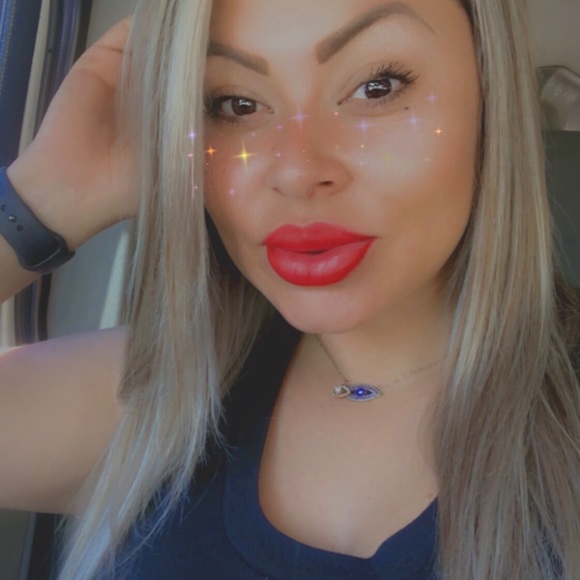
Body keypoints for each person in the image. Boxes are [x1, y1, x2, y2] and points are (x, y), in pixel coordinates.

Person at [0, 0, 579, 578]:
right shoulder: (162, 393)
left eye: (376, 87)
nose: (296, 172)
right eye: (235, 104)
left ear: (490, 97)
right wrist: (44, 201)